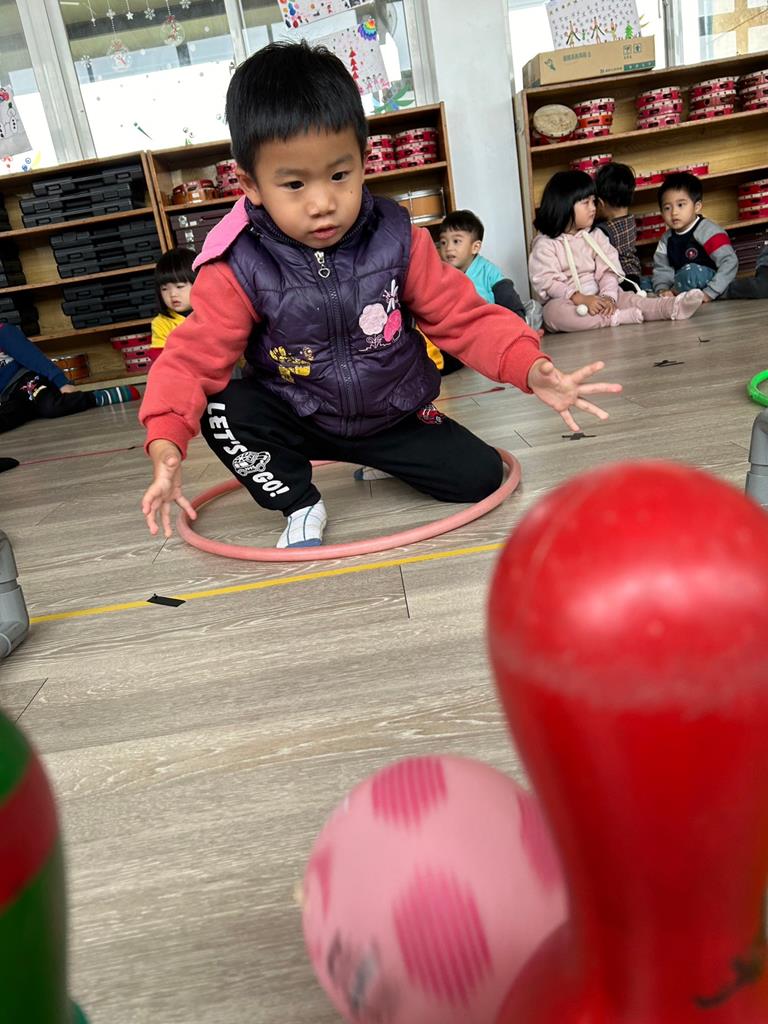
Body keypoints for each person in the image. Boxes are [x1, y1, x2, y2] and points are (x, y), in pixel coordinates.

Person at [139, 42, 621, 549]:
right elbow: (191, 359)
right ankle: (298, 502)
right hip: (297, 414)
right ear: (251, 184)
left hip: (391, 415)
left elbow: (462, 316)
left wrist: (529, 365)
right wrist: (166, 438)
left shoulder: (397, 239)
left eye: (339, 175)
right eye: (294, 184)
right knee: (224, 406)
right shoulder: (236, 263)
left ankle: (380, 459)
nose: (322, 203)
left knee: (480, 477)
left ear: (364, 160)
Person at [528, 170, 705, 334]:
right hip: (570, 301)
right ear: (564, 205)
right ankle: (616, 318)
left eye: (594, 201)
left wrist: (609, 297)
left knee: (632, 299)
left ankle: (671, 307)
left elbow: (608, 270)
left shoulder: (596, 235)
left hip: (601, 294)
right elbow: (547, 282)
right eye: (586, 203)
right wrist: (579, 298)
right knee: (553, 314)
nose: (593, 208)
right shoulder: (545, 244)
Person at [0, 323, 139, 435]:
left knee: (52, 407)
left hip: (25, 381)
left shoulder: (4, 332)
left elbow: (36, 359)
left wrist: (62, 383)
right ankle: (32, 409)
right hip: (8, 398)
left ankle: (95, 397)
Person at [652, 171, 737, 301]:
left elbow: (729, 262)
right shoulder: (666, 239)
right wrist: (662, 289)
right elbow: (662, 268)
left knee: (691, 272)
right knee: (646, 281)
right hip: (680, 281)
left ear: (697, 207)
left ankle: (674, 295)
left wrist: (710, 292)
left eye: (680, 205)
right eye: (667, 208)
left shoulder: (709, 231)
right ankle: (668, 295)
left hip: (710, 283)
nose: (674, 213)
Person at [594, 162, 643, 290]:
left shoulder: (603, 230)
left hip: (620, 278)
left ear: (600, 203)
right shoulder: (630, 220)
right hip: (634, 272)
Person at [150, 247, 196, 352]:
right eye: (164, 289)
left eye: (179, 286)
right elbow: (159, 356)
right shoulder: (161, 323)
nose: (172, 294)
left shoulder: (212, 313)